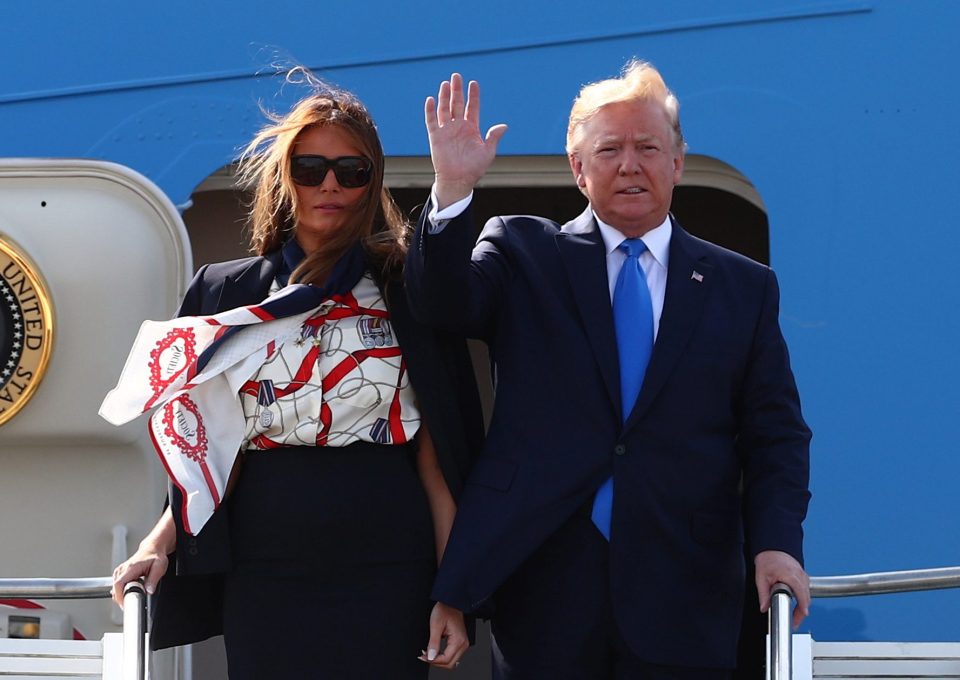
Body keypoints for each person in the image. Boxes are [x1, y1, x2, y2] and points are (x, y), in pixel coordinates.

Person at [404, 62, 812, 679]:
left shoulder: (742, 287)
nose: (630, 165)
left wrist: (777, 544)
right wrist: (453, 192)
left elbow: (775, 434)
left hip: (687, 590)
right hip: (544, 590)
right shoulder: (522, 252)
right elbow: (441, 303)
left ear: (677, 162)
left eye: (648, 147)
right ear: (577, 168)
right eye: (610, 149)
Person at [103, 70, 482, 678]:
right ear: (286, 177)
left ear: (371, 182)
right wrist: (157, 544)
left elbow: (437, 460)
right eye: (310, 169)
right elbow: (207, 451)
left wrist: (454, 592)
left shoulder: (407, 289)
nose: (329, 184)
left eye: (351, 171)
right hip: (265, 560)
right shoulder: (227, 292)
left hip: (388, 559)